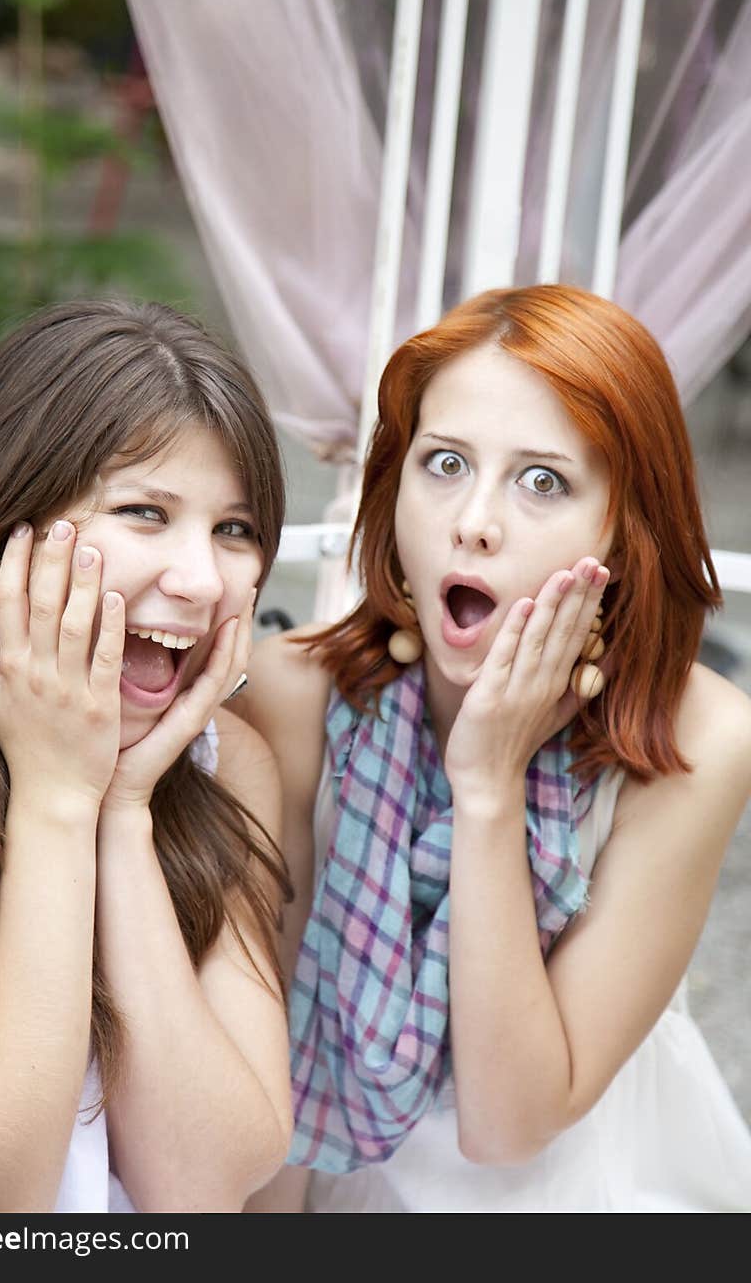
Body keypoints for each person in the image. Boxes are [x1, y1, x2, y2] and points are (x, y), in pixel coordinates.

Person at [238, 283, 751, 1213]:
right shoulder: (294, 694)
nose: (473, 519)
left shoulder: (696, 742)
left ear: (624, 530)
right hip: (341, 1188)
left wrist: (487, 787)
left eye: (542, 479)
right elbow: (271, 1062)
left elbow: (511, 1124)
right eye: (443, 464)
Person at [0, 299, 294, 1214]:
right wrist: (58, 798)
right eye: (145, 512)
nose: (199, 578)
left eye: (236, 529)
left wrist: (123, 811)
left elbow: (206, 1182)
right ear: (2, 524)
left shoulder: (225, 763)